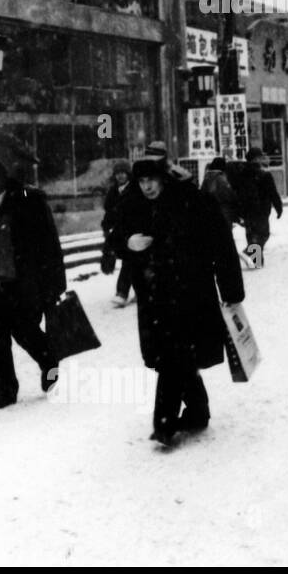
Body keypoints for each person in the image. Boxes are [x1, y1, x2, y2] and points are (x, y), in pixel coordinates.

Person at [114, 158, 245, 446]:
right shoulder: (132, 204)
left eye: (152, 179)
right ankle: (198, 412)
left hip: (190, 294)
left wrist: (231, 291)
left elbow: (222, 246)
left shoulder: (191, 202)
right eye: (141, 181)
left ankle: (165, 423)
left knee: (174, 356)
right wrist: (127, 243)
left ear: (164, 178)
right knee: (173, 358)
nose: (146, 186)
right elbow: (113, 233)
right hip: (154, 297)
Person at [0, 167, 67, 410]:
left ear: (4, 174)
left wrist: (54, 284)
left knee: (26, 333)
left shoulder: (29, 199)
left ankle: (49, 361)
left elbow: (49, 244)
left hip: (22, 283)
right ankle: (4, 390)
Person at [100, 160, 137, 308]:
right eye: (117, 173)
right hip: (119, 234)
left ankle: (122, 292)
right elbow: (109, 213)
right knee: (131, 262)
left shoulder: (135, 190)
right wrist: (106, 226)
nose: (120, 176)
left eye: (123, 173)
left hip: (133, 232)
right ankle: (139, 290)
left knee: (129, 261)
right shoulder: (113, 192)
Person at [235, 148, 283, 253]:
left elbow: (237, 193)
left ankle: (256, 261)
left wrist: (238, 211)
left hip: (246, 211)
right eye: (261, 157)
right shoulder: (265, 175)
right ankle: (249, 253)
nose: (263, 159)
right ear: (256, 159)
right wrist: (279, 208)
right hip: (261, 211)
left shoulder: (241, 174)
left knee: (252, 236)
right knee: (263, 234)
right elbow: (273, 193)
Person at [201, 156, 240, 226]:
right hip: (223, 211)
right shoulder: (221, 179)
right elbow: (229, 195)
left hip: (209, 211)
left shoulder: (207, 178)